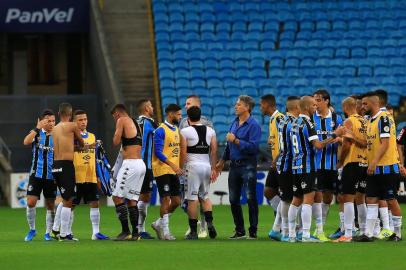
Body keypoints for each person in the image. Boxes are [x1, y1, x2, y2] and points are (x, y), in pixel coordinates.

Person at [287, 96, 342, 243]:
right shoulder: (308, 123)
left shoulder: (293, 123)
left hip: (295, 165)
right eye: (312, 105)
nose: (315, 106)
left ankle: (292, 234)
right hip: (308, 166)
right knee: (307, 200)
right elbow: (318, 145)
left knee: (296, 199)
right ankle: (305, 235)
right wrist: (335, 135)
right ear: (306, 108)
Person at [354, 92, 402, 242]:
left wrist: (373, 162)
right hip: (374, 167)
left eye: (365, 104)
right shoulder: (371, 121)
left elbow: (385, 143)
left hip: (386, 166)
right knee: (371, 198)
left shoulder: (385, 119)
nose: (362, 107)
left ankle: (397, 233)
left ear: (374, 104)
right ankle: (368, 234)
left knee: (391, 200)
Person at [215, 95, 261, 239]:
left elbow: (253, 148)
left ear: (247, 107)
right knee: (233, 199)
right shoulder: (234, 123)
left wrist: (236, 140)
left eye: (239, 104)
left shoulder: (254, 125)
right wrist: (222, 160)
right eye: (236, 104)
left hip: (247, 165)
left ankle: (253, 230)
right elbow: (229, 146)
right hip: (234, 166)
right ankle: (240, 230)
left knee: (250, 198)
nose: (236, 106)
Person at [180, 106, 218, 240]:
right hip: (206, 166)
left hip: (192, 166)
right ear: (200, 116)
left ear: (188, 118)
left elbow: (183, 152)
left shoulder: (184, 131)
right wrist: (213, 168)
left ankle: (193, 231)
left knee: (192, 199)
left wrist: (181, 168)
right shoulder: (211, 131)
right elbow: (214, 151)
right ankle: (210, 223)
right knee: (205, 196)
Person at [111, 104, 146, 241]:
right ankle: (136, 233)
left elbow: (115, 141)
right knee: (132, 200)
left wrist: (117, 130)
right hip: (140, 164)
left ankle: (126, 231)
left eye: (114, 117)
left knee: (117, 197)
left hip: (130, 164)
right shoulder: (136, 123)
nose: (115, 119)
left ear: (117, 114)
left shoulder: (122, 120)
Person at [72, 110, 109, 240]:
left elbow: (95, 158)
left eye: (85, 119)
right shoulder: (72, 136)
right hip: (76, 176)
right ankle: (67, 232)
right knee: (71, 204)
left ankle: (96, 233)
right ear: (74, 122)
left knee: (95, 202)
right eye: (80, 120)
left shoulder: (92, 136)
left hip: (91, 175)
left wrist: (98, 175)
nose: (83, 122)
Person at [335, 97, 368, 242]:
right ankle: (364, 230)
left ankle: (348, 233)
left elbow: (347, 145)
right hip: (364, 162)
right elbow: (366, 143)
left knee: (347, 198)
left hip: (352, 162)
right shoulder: (365, 121)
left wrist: (341, 161)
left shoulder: (348, 121)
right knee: (361, 198)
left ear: (344, 107)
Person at [312, 89, 343, 241]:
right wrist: (334, 136)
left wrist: (341, 141)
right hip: (315, 164)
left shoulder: (337, 118)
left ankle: (322, 228)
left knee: (329, 197)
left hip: (332, 165)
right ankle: (315, 229)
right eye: (313, 100)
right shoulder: (311, 118)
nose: (315, 103)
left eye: (318, 100)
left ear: (326, 101)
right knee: (314, 196)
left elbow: (344, 138)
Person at [51, 103, 84, 241]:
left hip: (56, 165)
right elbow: (81, 142)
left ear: (59, 114)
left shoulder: (55, 128)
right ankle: (64, 234)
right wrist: (80, 145)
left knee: (65, 198)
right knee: (69, 200)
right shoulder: (72, 125)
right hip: (66, 165)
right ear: (70, 115)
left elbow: (64, 145)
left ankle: (56, 230)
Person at [23, 109, 56, 241]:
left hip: (51, 176)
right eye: (49, 121)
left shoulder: (57, 135)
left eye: (54, 121)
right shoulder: (36, 134)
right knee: (31, 202)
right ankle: (32, 230)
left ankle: (48, 233)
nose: (52, 123)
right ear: (42, 121)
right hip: (36, 174)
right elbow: (25, 142)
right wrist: (37, 128)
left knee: (50, 204)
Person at [151, 104, 183, 240]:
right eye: (179, 114)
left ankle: (158, 223)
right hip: (162, 169)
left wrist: (178, 166)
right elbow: (158, 152)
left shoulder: (176, 129)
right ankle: (166, 232)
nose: (180, 117)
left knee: (176, 201)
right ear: (171, 114)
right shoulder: (160, 130)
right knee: (165, 199)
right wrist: (172, 165)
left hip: (173, 170)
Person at [275, 96, 300, 242]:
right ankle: (285, 231)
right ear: (297, 108)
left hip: (282, 162)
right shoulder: (293, 123)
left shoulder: (282, 121)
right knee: (287, 199)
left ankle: (286, 229)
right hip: (289, 164)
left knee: (287, 198)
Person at [259, 94, 284, 240]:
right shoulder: (272, 119)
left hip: (280, 162)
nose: (260, 107)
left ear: (268, 104)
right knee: (268, 191)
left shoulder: (279, 118)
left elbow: (285, 140)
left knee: (286, 196)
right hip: (275, 162)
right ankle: (284, 217)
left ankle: (284, 224)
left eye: (262, 105)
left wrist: (278, 157)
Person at [136, 99, 158, 239]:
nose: (153, 107)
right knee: (145, 196)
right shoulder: (149, 123)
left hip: (134, 163)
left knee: (140, 196)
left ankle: (138, 228)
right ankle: (139, 229)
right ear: (146, 109)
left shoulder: (134, 122)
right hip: (145, 164)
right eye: (150, 105)